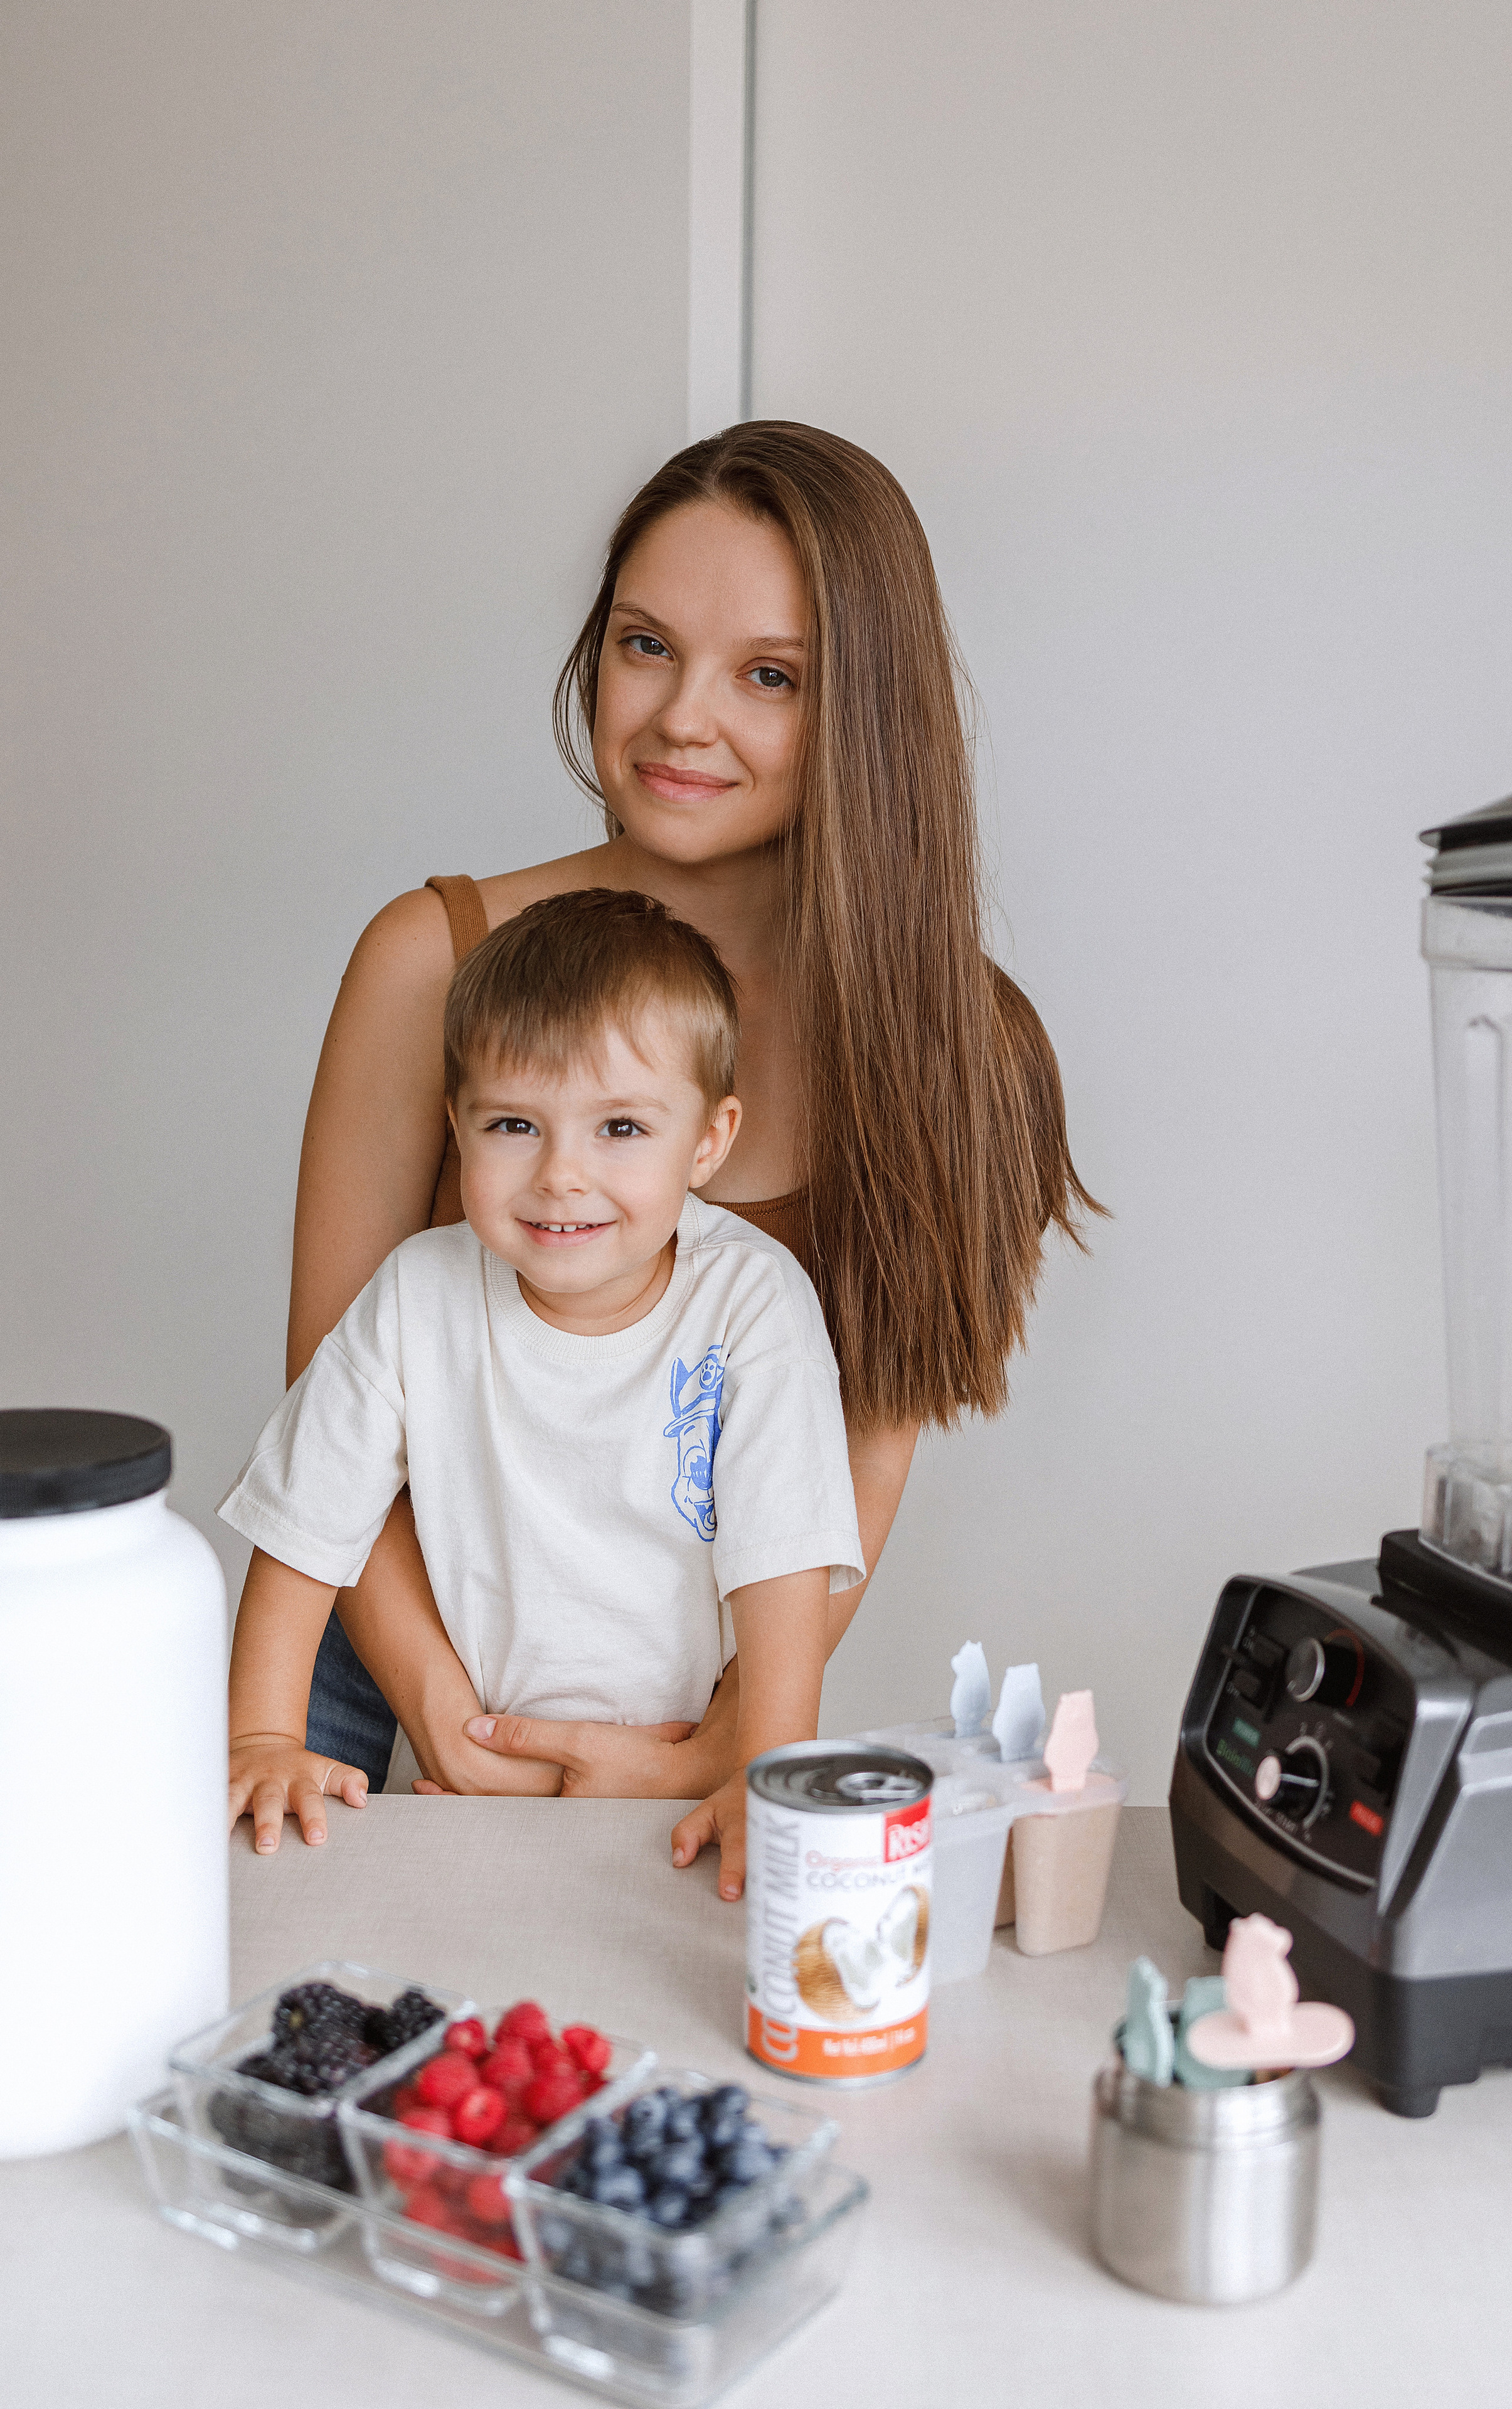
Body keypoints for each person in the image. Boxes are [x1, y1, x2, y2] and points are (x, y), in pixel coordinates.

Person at [289, 420, 1100, 1896]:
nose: (680, 719)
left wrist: (722, 1733)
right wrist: (441, 1717)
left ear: (864, 711)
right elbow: (332, 1402)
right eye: (645, 645)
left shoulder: (955, 1038)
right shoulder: (431, 960)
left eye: (768, 676)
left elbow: (864, 1442)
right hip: (387, 1698)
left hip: (698, 1717)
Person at [222, 888, 863, 1854]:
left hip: (672, 1791)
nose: (561, 1173)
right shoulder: (417, 1296)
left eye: (621, 1129)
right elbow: (303, 1526)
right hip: (456, 1789)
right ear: (459, 1122)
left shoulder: (753, 1305)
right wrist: (263, 1735)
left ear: (710, 1139)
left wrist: (759, 1769)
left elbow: (783, 1562)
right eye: (515, 1125)